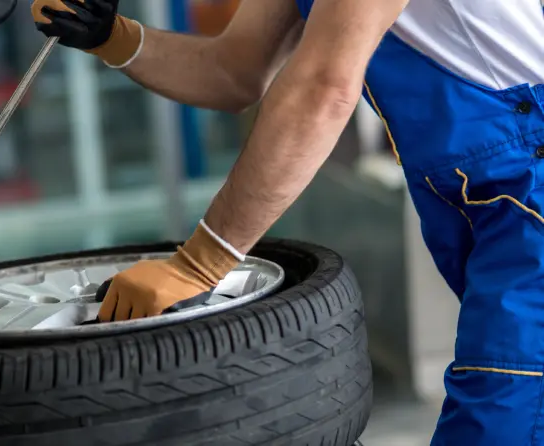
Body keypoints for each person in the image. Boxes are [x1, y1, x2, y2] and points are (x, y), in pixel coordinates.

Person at [31, 0, 544, 444]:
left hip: (528, 185)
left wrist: (199, 264)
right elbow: (232, 72)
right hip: (481, 197)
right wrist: (112, 36)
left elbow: (324, 87)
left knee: (501, 416)